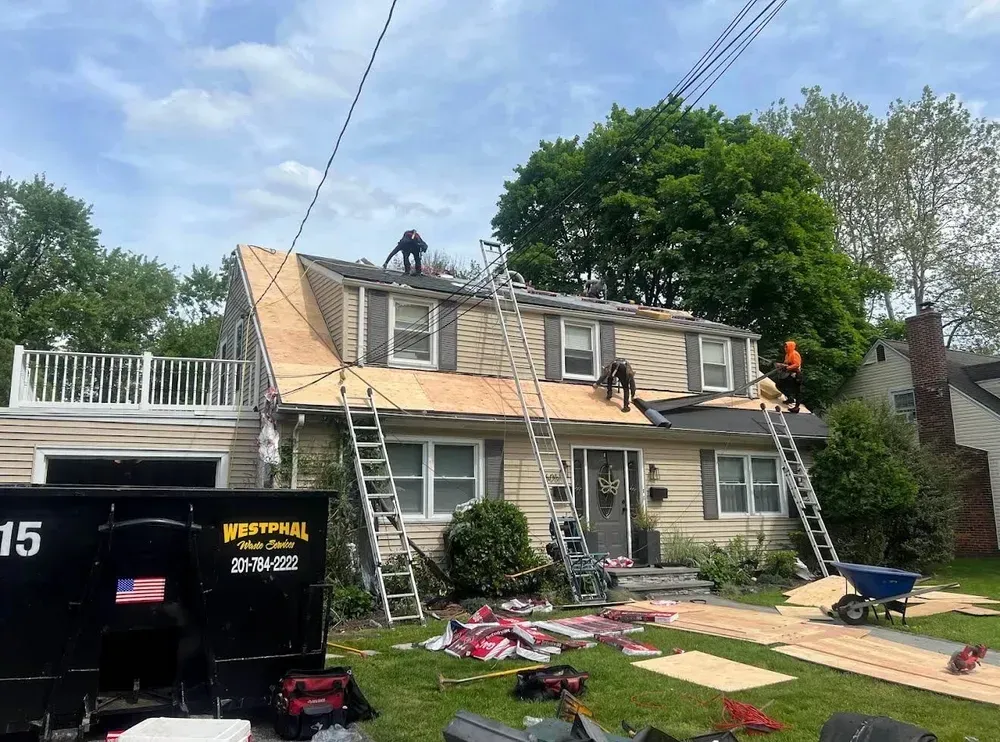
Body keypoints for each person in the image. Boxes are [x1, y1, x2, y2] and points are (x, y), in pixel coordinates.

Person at [774, 340, 802, 413]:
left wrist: (786, 367)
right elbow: (786, 363)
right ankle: (790, 398)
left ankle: (796, 407)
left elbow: (796, 364)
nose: (785, 348)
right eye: (785, 347)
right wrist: (781, 365)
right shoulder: (787, 355)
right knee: (779, 384)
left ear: (791, 347)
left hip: (795, 374)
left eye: (787, 347)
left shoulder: (795, 354)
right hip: (788, 373)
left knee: (797, 391)